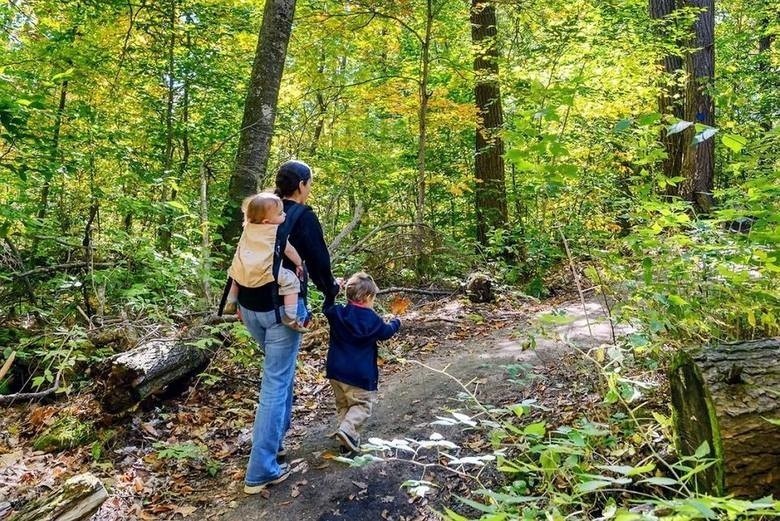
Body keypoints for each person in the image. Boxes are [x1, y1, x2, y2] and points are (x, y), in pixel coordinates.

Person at [238, 160, 340, 494]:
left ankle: (274, 445)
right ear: (301, 185)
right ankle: (261, 470)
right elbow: (319, 261)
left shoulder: (261, 210)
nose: (310, 189)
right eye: (309, 183)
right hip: (282, 309)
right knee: (276, 382)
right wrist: (331, 291)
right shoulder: (301, 216)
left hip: (249, 306)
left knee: (279, 376)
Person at [324, 272, 401, 452]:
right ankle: (347, 429)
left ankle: (347, 441)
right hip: (359, 374)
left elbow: (327, 307)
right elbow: (386, 332)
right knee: (361, 406)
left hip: (336, 372)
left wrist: (331, 292)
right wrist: (397, 322)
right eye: (373, 297)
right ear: (367, 297)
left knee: (344, 404)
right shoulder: (372, 319)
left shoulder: (338, 313)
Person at [225, 192, 308, 332]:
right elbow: (289, 251)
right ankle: (290, 316)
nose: (285, 215)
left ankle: (231, 302)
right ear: (266, 221)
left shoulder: (248, 228)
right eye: (280, 213)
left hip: (244, 268)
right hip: (264, 271)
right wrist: (299, 263)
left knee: (234, 277)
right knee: (291, 282)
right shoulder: (276, 232)